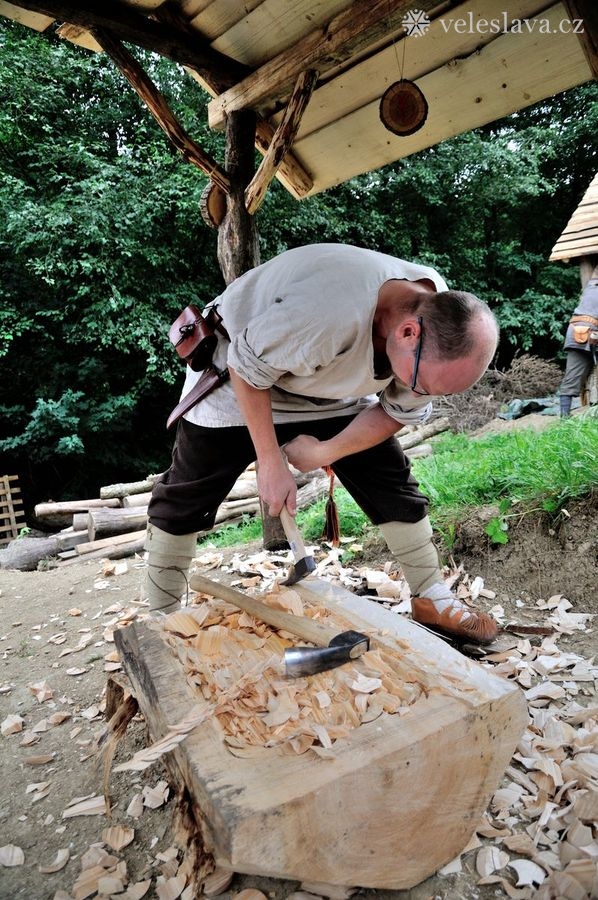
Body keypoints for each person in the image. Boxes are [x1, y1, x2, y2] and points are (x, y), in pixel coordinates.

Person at [146, 243, 500, 644]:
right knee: (188, 493)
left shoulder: (439, 318)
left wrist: (324, 452)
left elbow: (398, 411)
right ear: (407, 332)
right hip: (238, 373)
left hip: (328, 381)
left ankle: (431, 594)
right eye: (422, 385)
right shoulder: (328, 309)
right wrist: (270, 461)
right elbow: (246, 366)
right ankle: (162, 619)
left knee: (388, 476)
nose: (419, 394)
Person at [559, 263, 598, 417]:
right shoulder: (594, 285)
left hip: (580, 332)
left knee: (571, 377)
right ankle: (564, 419)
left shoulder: (592, 284)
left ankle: (565, 417)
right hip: (582, 334)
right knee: (571, 379)